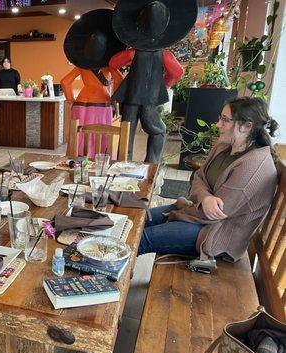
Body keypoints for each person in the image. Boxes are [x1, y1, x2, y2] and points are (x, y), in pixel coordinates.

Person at [139, 97, 278, 262]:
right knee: (137, 220)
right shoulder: (223, 146)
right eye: (220, 118)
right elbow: (198, 176)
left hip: (216, 234)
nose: (218, 124)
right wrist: (205, 197)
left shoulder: (254, 165)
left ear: (247, 126)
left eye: (225, 120)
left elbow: (215, 213)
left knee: (141, 238)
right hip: (198, 215)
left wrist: (183, 211)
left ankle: (108, 284)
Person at [109, 0, 196, 163]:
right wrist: (164, 85)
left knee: (127, 133)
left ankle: (123, 163)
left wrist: (121, 75)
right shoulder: (164, 54)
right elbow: (177, 72)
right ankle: (152, 164)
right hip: (151, 99)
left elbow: (112, 64)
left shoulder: (132, 53)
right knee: (157, 131)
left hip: (130, 98)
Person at [61, 9, 126, 159]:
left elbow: (65, 82)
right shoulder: (109, 67)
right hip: (101, 105)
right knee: (101, 136)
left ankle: (76, 163)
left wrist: (71, 100)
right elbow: (120, 81)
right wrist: (114, 98)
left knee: (78, 136)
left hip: (80, 104)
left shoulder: (81, 66)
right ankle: (98, 162)